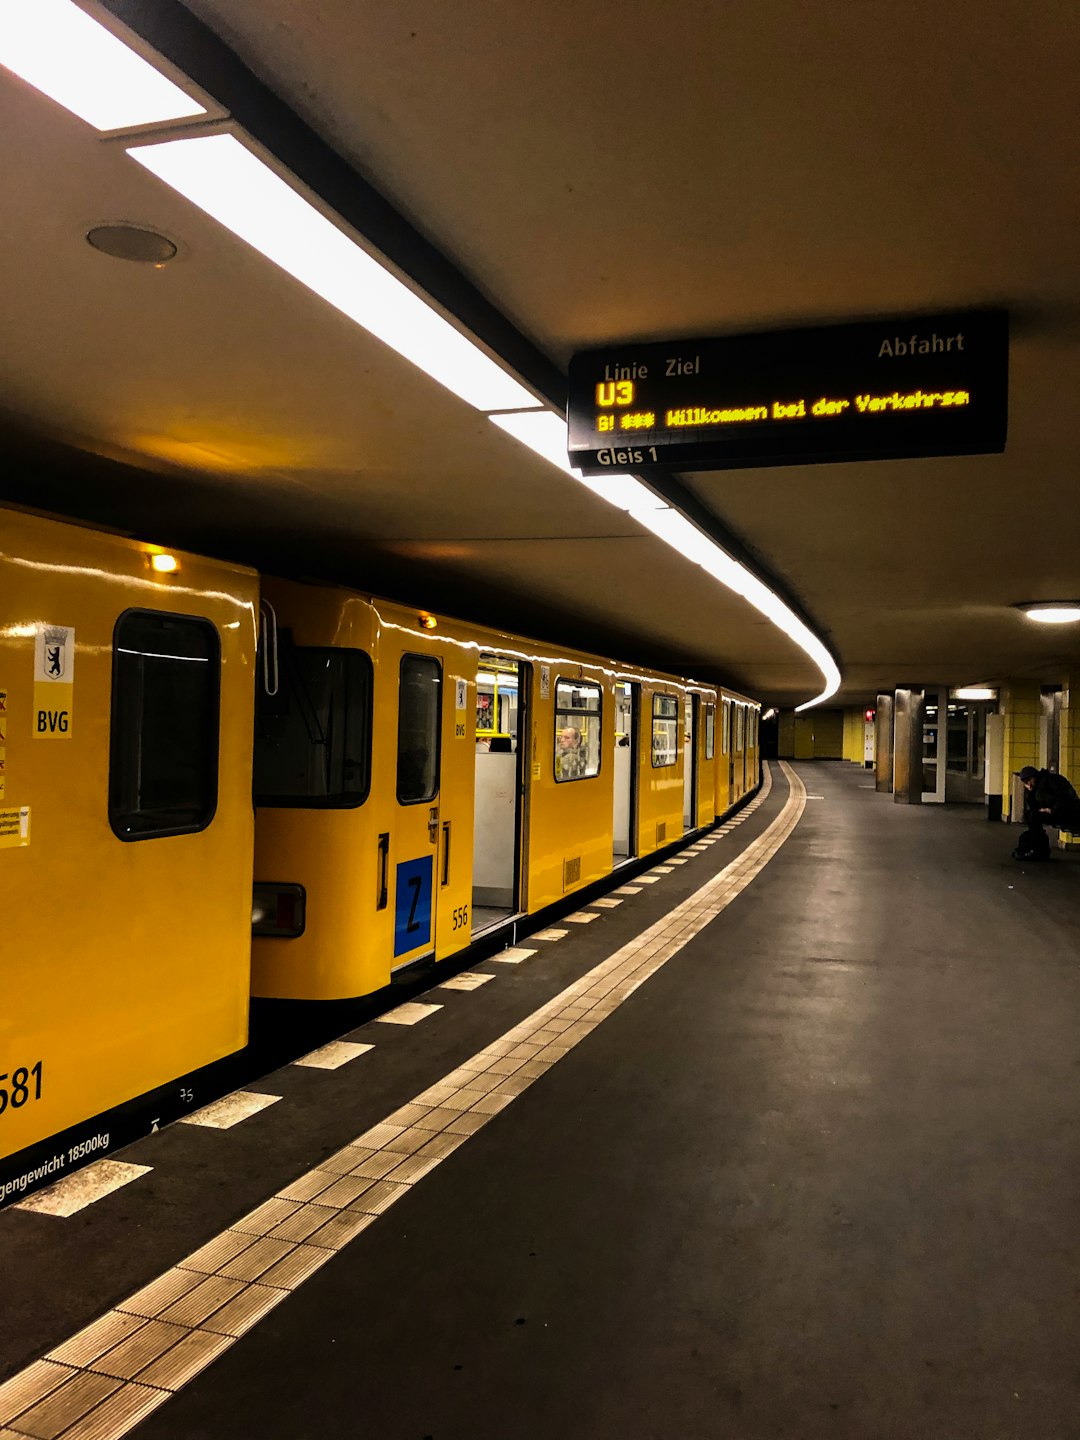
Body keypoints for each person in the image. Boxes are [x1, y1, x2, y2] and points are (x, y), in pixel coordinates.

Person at [1013, 765, 1080, 860]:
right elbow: (1033, 805)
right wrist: (1031, 792)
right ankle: (1038, 846)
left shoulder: (1051, 781)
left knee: (1034, 816)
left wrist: (1052, 810)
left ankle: (1039, 849)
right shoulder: (1037, 787)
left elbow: (1064, 798)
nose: (1028, 784)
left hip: (1069, 811)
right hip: (1057, 812)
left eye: (1028, 781)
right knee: (1030, 815)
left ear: (1034, 776)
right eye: (1026, 782)